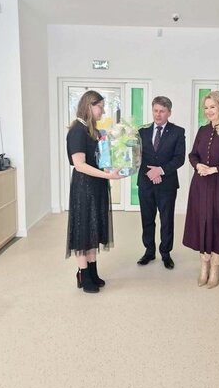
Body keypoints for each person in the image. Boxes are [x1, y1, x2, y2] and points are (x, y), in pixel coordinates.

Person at [66, 90, 124, 294]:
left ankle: (92, 271)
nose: (103, 111)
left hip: (97, 186)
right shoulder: (77, 131)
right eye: (100, 106)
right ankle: (83, 274)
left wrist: (114, 168)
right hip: (84, 188)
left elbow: (101, 160)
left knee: (93, 229)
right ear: (89, 106)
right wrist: (108, 176)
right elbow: (80, 165)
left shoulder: (93, 131)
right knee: (83, 230)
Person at [183, 91, 219, 288]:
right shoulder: (202, 130)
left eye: (212, 107)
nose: (208, 111)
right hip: (200, 185)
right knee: (202, 222)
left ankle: (215, 268)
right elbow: (193, 155)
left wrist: (215, 169)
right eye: (206, 107)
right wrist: (197, 165)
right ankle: (204, 266)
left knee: (217, 223)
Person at [137, 96, 185, 270]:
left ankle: (166, 253)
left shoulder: (178, 132)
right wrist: (151, 173)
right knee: (147, 219)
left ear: (169, 113)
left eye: (162, 111)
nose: (158, 114)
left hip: (167, 185)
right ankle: (149, 251)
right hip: (145, 183)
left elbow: (179, 158)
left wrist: (161, 170)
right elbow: (137, 156)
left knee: (166, 220)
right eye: (155, 110)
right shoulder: (142, 131)